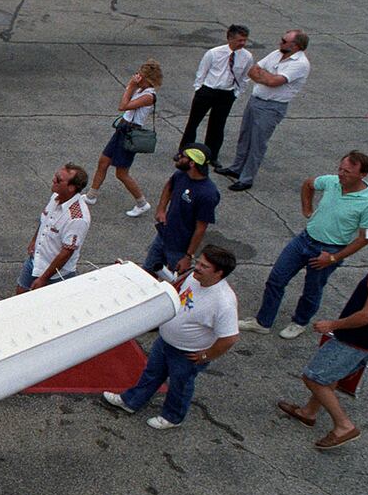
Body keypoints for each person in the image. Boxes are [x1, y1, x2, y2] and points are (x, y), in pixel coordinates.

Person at [277, 217, 368, 450]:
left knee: (313, 377)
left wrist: (333, 324)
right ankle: (309, 412)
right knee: (330, 375)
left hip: (355, 339)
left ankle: (344, 426)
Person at [240, 152, 368, 339]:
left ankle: (299, 322)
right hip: (304, 239)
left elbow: (365, 238)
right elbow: (308, 184)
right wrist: (307, 209)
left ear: (362, 175)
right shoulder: (331, 182)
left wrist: (333, 258)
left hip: (330, 250)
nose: (340, 174)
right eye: (340, 168)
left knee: (312, 289)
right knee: (276, 279)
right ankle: (263, 322)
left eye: (347, 172)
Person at [103, 246, 241, 430]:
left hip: (187, 353)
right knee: (152, 373)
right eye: (198, 262)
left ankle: (173, 417)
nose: (197, 267)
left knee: (180, 386)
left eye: (204, 266)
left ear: (219, 273)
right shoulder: (195, 278)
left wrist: (205, 356)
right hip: (166, 341)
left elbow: (229, 338)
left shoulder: (224, 303)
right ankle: (131, 401)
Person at [218, 29, 310, 192]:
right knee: (245, 136)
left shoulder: (300, 64)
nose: (280, 43)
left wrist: (266, 76)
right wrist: (265, 77)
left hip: (272, 106)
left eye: (284, 41)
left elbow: (274, 81)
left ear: (296, 46)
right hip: (255, 100)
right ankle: (237, 168)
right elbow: (253, 70)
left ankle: (247, 178)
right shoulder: (277, 53)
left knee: (257, 143)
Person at [87, 60, 159, 216]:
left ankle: (142, 203)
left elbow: (123, 105)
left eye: (141, 76)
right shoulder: (141, 90)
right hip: (122, 128)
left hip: (130, 132)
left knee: (122, 173)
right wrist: (132, 86)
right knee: (103, 161)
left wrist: (132, 86)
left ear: (148, 79)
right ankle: (91, 195)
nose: (137, 77)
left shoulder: (149, 96)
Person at [178, 24, 253, 168]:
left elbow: (245, 77)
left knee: (217, 126)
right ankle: (184, 152)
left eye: (244, 40)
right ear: (230, 38)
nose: (242, 43)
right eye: (239, 40)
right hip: (208, 90)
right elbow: (202, 72)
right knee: (193, 123)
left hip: (226, 94)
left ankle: (211, 155)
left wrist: (236, 93)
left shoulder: (247, 57)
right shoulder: (213, 53)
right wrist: (199, 89)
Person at [143, 146, 220, 280]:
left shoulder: (208, 194)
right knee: (146, 275)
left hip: (179, 249)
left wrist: (188, 256)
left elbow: (200, 228)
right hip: (163, 236)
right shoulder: (181, 175)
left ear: (191, 163)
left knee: (174, 283)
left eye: (183, 157)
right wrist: (161, 209)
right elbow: (168, 187)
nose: (179, 158)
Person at [19, 163, 92, 293]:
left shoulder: (77, 218)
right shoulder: (56, 197)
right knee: (20, 293)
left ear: (71, 188)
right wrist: (34, 240)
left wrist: (43, 279)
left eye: (59, 179)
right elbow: (45, 221)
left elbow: (66, 252)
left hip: (56, 274)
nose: (54, 180)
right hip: (36, 260)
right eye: (56, 176)